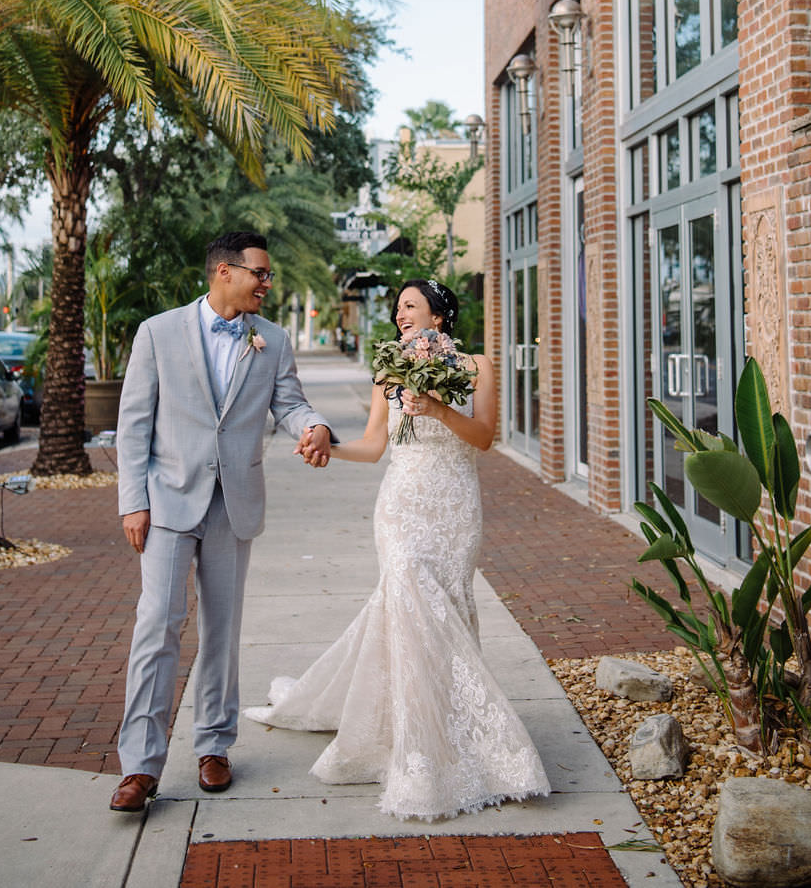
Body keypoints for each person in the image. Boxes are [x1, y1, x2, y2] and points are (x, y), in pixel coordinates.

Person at [244, 278, 550, 822]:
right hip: (402, 507)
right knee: (409, 597)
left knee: (446, 609)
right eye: (397, 309)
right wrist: (328, 447)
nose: (400, 314)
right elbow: (374, 446)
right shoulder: (388, 370)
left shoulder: (478, 365)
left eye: (410, 306)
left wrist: (435, 409)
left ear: (438, 316)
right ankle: (415, 748)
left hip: (455, 508)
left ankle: (450, 729)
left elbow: (483, 437)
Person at [109, 230, 334, 812]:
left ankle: (213, 745)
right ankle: (140, 765)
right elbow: (134, 425)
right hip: (167, 503)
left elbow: (289, 403)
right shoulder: (157, 333)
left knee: (222, 630)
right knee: (157, 624)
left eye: (268, 274)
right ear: (223, 273)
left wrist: (314, 427)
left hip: (233, 501)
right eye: (259, 273)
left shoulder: (273, 340)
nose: (267, 282)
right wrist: (132, 500)